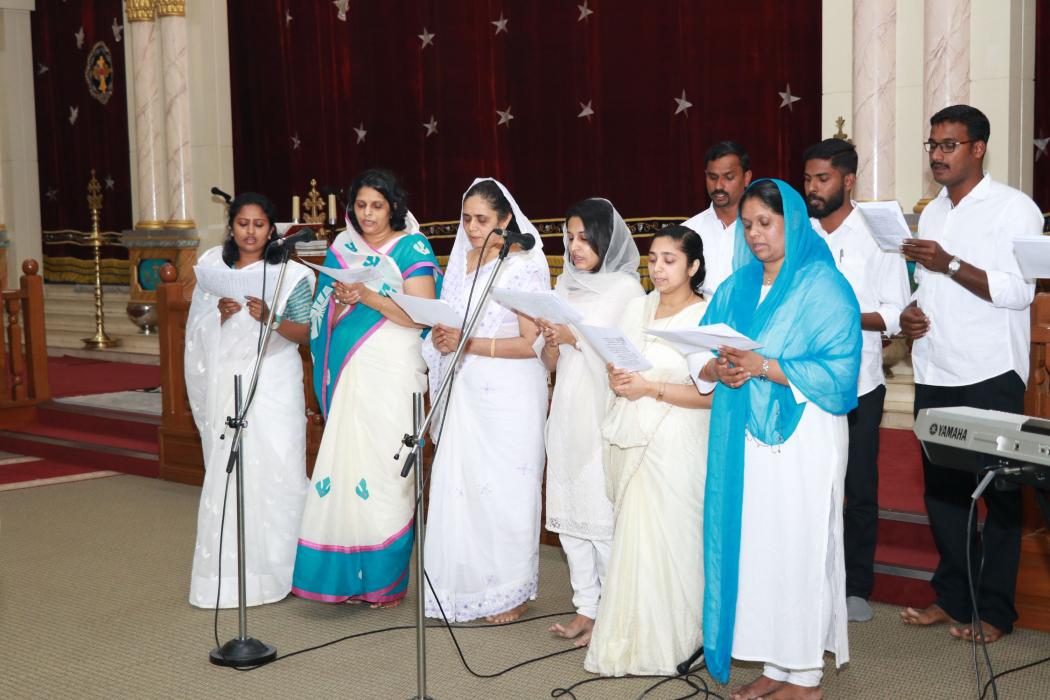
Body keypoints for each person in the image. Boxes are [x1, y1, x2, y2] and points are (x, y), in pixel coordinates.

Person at [696, 179, 861, 700]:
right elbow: (701, 348)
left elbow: (840, 371)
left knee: (801, 547)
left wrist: (763, 366)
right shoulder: (736, 286)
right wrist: (716, 369)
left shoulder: (823, 286)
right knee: (761, 549)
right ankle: (775, 664)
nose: (755, 234)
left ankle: (806, 676)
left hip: (807, 435)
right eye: (747, 225)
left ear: (792, 222)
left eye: (766, 223)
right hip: (747, 436)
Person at [898, 105, 1044, 643]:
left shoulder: (1014, 208)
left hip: (990, 370)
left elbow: (1018, 291)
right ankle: (954, 596)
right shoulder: (933, 212)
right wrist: (911, 315)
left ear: (977, 148)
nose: (937, 155)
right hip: (936, 366)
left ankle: (997, 611)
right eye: (932, 145)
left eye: (949, 145)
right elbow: (927, 285)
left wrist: (950, 264)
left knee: (1000, 493)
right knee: (943, 492)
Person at [292, 169, 442, 606]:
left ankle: (384, 582)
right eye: (360, 205)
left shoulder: (412, 246)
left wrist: (368, 297)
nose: (368, 214)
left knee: (385, 473)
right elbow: (322, 314)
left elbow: (422, 315)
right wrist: (341, 302)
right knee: (344, 467)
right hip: (350, 368)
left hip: (393, 368)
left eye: (377, 205)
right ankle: (342, 579)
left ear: (393, 206)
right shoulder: (343, 247)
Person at [584, 224, 712, 676]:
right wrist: (618, 378)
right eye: (653, 259)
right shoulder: (636, 308)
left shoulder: (706, 317)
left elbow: (712, 396)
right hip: (631, 431)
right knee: (634, 540)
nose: (658, 268)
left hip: (678, 440)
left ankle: (680, 641)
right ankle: (630, 641)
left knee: (674, 539)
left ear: (693, 267)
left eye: (670, 260)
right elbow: (617, 364)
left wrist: (650, 388)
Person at [421, 178, 551, 624]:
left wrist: (467, 343)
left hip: (511, 393)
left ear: (506, 220)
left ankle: (511, 591)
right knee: (465, 488)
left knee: (507, 492)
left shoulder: (524, 266)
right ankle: (466, 584)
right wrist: (442, 339)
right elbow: (450, 323)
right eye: (466, 219)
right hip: (467, 390)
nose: (473, 229)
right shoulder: (461, 261)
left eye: (482, 220)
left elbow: (532, 343)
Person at [186, 192, 314, 608]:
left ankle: (284, 567)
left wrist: (271, 319)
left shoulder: (290, 273)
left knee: (279, 463)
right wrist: (219, 315)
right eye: (243, 224)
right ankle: (234, 574)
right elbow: (196, 329)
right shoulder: (214, 268)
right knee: (232, 470)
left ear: (272, 229)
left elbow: (304, 333)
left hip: (275, 378)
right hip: (229, 376)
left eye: (259, 225)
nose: (251, 232)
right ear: (231, 227)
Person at [803, 138, 911, 623]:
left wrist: (842, 316)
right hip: (801, 378)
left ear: (848, 181)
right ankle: (809, 580)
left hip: (860, 381)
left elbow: (896, 312)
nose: (812, 187)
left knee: (859, 487)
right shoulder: (798, 234)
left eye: (822, 179)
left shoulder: (876, 235)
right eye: (808, 178)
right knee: (808, 483)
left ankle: (855, 587)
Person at [535, 198, 645, 647]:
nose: (575, 247)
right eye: (569, 238)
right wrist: (552, 343)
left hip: (603, 411)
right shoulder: (563, 286)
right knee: (569, 517)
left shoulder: (626, 290)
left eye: (584, 237)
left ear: (605, 237)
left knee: (600, 518)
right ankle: (585, 607)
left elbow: (628, 354)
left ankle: (611, 614)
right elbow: (549, 361)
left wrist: (575, 337)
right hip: (566, 410)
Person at [682, 141, 753, 296]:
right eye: (712, 177)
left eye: (729, 177)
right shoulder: (688, 231)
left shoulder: (761, 231)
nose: (718, 186)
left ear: (746, 178)